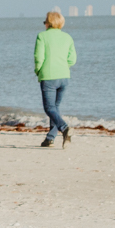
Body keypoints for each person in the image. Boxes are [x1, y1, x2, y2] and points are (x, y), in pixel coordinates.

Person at [33, 10, 77, 148]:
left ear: (49, 23)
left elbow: (38, 58)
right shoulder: (67, 37)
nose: (44, 24)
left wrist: (38, 71)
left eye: (45, 21)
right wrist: (64, 66)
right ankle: (50, 138)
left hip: (49, 76)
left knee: (49, 108)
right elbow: (72, 59)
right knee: (55, 107)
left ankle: (64, 128)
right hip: (64, 76)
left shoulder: (42, 36)